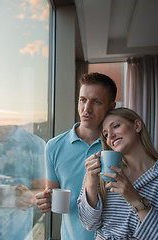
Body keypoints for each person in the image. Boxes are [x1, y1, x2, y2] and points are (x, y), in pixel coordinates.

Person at [78, 107, 158, 239]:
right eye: (106, 134)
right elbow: (89, 224)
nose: (110, 136)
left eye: (116, 126)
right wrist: (91, 182)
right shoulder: (103, 175)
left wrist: (135, 199)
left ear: (137, 126)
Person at [35, 72, 117, 239]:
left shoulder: (118, 145)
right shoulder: (53, 146)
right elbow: (53, 194)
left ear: (111, 106)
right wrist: (46, 201)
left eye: (97, 102)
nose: (86, 109)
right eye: (83, 100)